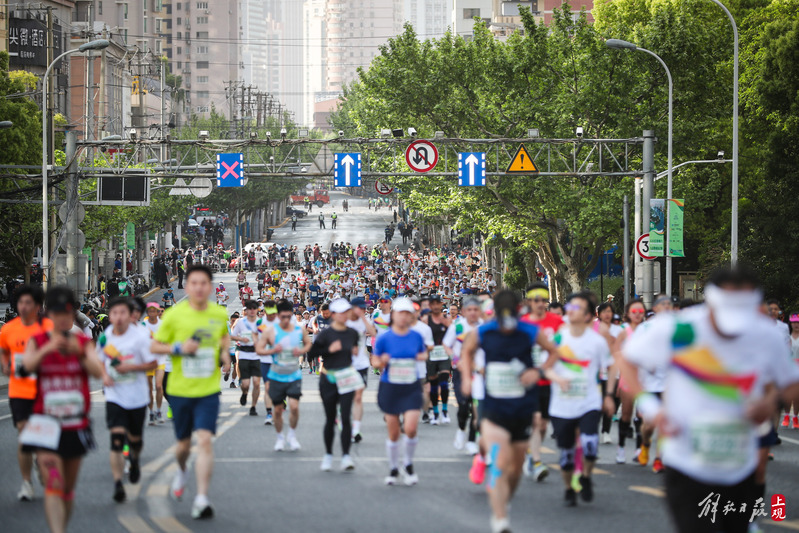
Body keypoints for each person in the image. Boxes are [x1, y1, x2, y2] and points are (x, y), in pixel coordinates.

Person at [620, 267, 799, 533]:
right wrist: (650, 407)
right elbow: (627, 360)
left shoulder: (765, 336)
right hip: (686, 463)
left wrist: (770, 401)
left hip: (739, 465)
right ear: (712, 303)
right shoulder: (683, 329)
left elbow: (791, 383)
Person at [459, 290, 562, 533]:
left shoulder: (529, 331)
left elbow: (554, 352)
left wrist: (537, 371)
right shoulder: (484, 332)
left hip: (522, 408)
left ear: (518, 312)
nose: (506, 328)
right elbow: (466, 351)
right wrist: (466, 377)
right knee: (499, 463)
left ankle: (505, 499)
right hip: (495, 410)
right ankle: (500, 518)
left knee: (515, 469)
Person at [151, 265, 231, 520]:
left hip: (208, 390)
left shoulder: (218, 314)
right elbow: (155, 345)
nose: (198, 287)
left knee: (205, 440)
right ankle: (182, 470)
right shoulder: (175, 316)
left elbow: (223, 337)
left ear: (210, 286)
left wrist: (226, 356)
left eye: (203, 283)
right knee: (184, 445)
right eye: (193, 283)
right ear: (186, 287)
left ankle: (202, 498)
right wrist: (178, 347)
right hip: (181, 390)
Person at [21, 286, 103, 533]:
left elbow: (99, 372)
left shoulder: (81, 342)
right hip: (45, 425)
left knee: (67, 489)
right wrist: (48, 349)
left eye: (66, 313)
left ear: (72, 314)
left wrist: (78, 352)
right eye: (56, 313)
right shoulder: (38, 341)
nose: (62, 318)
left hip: (75, 424)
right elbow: (26, 367)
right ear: (48, 316)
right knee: (54, 485)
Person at [548, 292, 615, 507]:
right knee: (566, 454)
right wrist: (558, 378)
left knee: (589, 443)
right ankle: (569, 488)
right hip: (562, 405)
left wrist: (609, 395)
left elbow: (612, 366)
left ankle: (585, 477)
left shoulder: (597, 341)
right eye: (571, 306)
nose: (571, 310)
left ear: (587, 315)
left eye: (577, 307)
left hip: (589, 402)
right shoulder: (558, 338)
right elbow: (545, 367)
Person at [98, 298, 158, 503]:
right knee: (116, 440)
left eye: (123, 313)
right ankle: (117, 484)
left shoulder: (140, 336)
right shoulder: (105, 337)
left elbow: (152, 363)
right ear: (110, 315)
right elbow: (100, 361)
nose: (118, 317)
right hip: (115, 395)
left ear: (130, 314)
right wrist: (105, 376)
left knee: (135, 439)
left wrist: (130, 368)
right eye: (114, 313)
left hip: (137, 396)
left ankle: (134, 461)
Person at [0, 285, 53, 501]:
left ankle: (41, 463)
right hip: (19, 390)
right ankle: (26, 483)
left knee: (40, 436)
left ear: (38, 306)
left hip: (44, 391)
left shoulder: (48, 328)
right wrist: (5, 364)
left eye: (28, 303)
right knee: (24, 435)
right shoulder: (8, 329)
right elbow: (4, 349)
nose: (23, 307)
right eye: (20, 302)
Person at [373, 297, 428, 486]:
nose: (403, 317)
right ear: (393, 315)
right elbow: (375, 361)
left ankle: (409, 464)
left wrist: (416, 356)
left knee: (411, 429)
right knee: (394, 433)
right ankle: (393, 468)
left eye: (407, 314)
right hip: (390, 387)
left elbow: (424, 353)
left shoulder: (416, 336)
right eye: (400, 313)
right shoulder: (384, 338)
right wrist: (383, 361)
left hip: (411, 386)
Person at [308, 298, 362, 472]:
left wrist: (353, 351)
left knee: (345, 418)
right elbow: (312, 354)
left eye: (346, 312)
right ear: (333, 314)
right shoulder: (325, 334)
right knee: (330, 419)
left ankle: (346, 456)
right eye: (340, 312)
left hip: (346, 378)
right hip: (328, 379)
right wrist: (328, 350)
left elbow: (353, 349)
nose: (344, 315)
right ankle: (328, 455)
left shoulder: (352, 333)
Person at [519, 282, 564, 482]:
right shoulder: (522, 324)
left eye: (544, 300)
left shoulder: (557, 322)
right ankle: (537, 461)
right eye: (536, 300)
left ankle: (530, 452)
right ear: (529, 302)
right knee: (535, 420)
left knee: (543, 425)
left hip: (550, 379)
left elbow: (562, 348)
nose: (540, 304)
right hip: (529, 379)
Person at [256, 299, 312, 451]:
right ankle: (280, 437)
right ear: (278, 316)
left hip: (294, 375)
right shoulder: (270, 331)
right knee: (278, 410)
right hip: (276, 375)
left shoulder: (298, 329)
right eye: (283, 317)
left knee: (294, 407)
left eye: (289, 316)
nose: (286, 320)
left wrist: (301, 351)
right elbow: (259, 349)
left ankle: (292, 436)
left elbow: (308, 344)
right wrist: (272, 351)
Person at [443, 297, 482, 454]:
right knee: (464, 406)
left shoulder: (483, 327)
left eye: (475, 310)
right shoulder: (457, 326)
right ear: (464, 311)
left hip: (478, 373)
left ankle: (472, 440)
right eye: (469, 310)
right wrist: (455, 358)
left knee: (476, 408)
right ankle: (461, 430)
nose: (472, 313)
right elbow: (447, 345)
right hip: (460, 370)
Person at [346, 297, 377, 443]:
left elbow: (373, 333)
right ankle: (343, 416)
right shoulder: (344, 320)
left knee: (358, 396)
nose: (363, 310)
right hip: (345, 363)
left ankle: (356, 429)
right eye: (360, 308)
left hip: (361, 363)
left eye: (364, 308)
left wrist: (364, 319)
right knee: (347, 396)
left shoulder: (364, 320)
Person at [422, 295, 452, 425]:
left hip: (444, 354)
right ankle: (434, 412)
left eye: (437, 303)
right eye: (432, 303)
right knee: (433, 385)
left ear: (441, 305)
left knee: (444, 382)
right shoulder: (425, 320)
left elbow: (453, 336)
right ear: (430, 306)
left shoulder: (447, 319)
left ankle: (444, 410)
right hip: (431, 355)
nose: (435, 306)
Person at [231, 301, 263, 416]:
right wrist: (241, 339)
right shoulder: (240, 322)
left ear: (257, 310)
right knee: (245, 384)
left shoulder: (260, 322)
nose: (252, 310)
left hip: (256, 355)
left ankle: (253, 407)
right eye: (250, 308)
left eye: (254, 308)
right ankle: (244, 393)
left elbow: (266, 337)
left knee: (256, 383)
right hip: (244, 353)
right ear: (247, 310)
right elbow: (232, 336)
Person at [142, 303, 167, 424]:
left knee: (158, 386)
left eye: (154, 311)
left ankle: (158, 410)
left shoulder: (163, 325)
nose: (152, 313)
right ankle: (151, 412)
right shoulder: (143, 325)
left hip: (160, 360)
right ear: (147, 313)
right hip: (147, 360)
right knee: (149, 388)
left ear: (158, 312)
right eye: (150, 311)